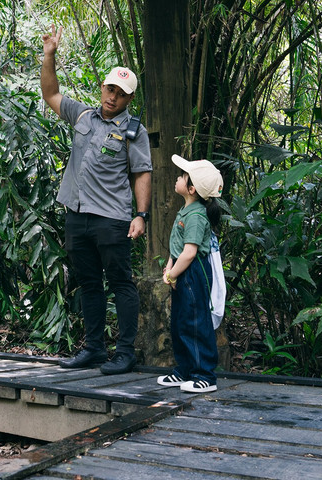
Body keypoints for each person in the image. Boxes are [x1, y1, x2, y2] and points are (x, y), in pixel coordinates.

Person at [40, 25, 152, 375]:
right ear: (102, 87)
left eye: (120, 93)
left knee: (120, 283)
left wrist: (141, 214)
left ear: (129, 98)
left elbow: (142, 172)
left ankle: (125, 353)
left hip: (111, 219)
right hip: (77, 214)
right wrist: (49, 55)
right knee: (88, 282)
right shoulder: (83, 115)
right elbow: (50, 94)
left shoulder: (134, 131)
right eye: (109, 88)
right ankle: (93, 349)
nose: (112, 96)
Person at [157, 153, 226, 393]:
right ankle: (184, 370)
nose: (178, 178)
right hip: (182, 271)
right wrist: (169, 266)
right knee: (180, 321)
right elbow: (177, 247)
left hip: (193, 272)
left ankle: (204, 374)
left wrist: (173, 274)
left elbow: (189, 252)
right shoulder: (186, 212)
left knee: (195, 322)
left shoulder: (196, 216)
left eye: (182, 176)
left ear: (192, 189)